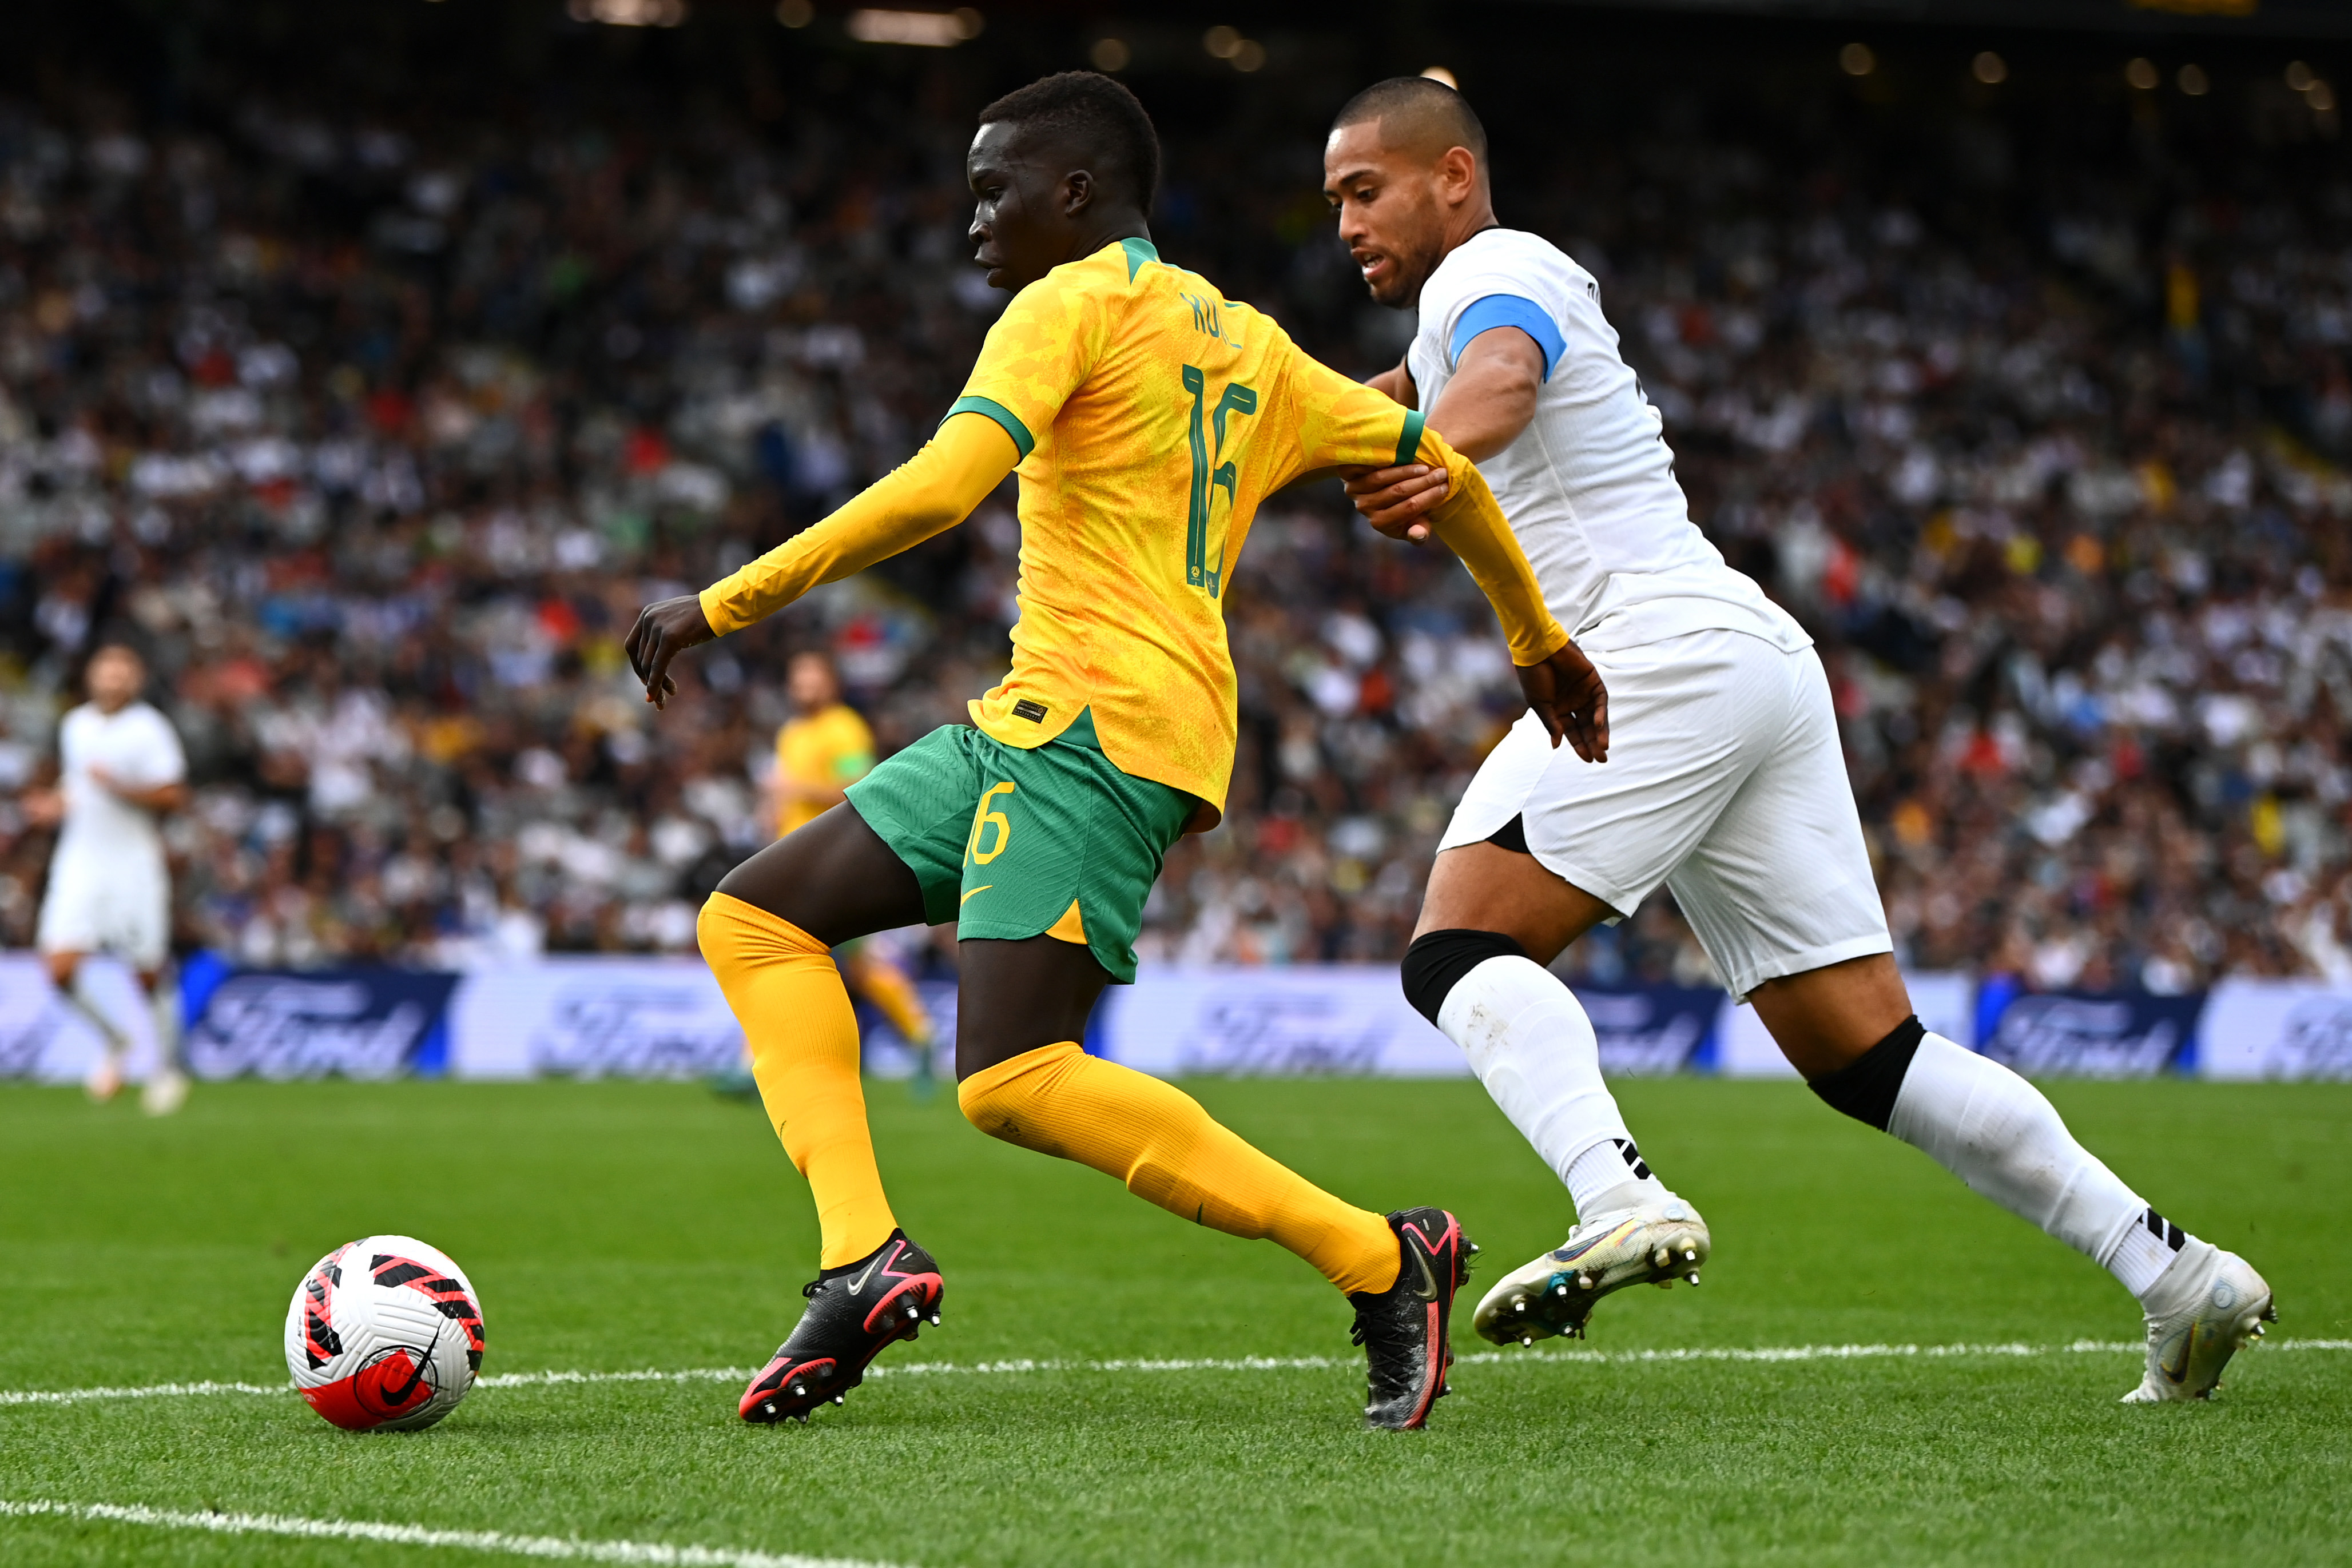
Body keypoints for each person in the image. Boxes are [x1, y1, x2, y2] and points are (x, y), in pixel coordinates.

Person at [627, 70, 1604, 1431]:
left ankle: (1386, 1257)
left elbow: (941, 486)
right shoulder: (1254, 347)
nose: (974, 223)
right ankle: (860, 1254)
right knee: (753, 918)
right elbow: (1435, 464)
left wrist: (724, 600)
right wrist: (1534, 639)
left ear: (1074, 195)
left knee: (1013, 1081)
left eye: (993, 192)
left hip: (1100, 730)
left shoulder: (1068, 301)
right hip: (1035, 718)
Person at [1323, 75, 2272, 1404]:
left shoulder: (1492, 266)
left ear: (1454, 178)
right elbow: (1339, 411)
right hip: (1751, 660)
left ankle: (1614, 1192)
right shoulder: (1443, 324)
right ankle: (2174, 1271)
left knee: (1457, 947)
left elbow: (1500, 377)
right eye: (1333, 204)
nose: (1347, 223)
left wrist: (1433, 446)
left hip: (1655, 650)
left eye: (1364, 191)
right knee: (1867, 1053)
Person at [23, 643, 192, 1116]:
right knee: (58, 968)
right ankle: (116, 1041)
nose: (113, 679)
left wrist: (120, 786)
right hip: (80, 861)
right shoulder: (75, 725)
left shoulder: (149, 729)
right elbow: (76, 789)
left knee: (147, 970)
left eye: (123, 672)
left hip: (133, 864)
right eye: (106, 670)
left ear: (135, 680)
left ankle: (166, 1069)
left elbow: (175, 794)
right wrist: (52, 807)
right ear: (92, 676)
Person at [761, 648, 940, 1090]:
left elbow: (856, 789)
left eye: (812, 679)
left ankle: (919, 1037)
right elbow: (781, 796)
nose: (804, 688)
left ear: (831, 684)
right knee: (829, 960)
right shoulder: (793, 732)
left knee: (820, 958)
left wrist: (794, 789)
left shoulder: (843, 729)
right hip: (793, 858)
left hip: (830, 860)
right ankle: (920, 1039)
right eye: (797, 679)